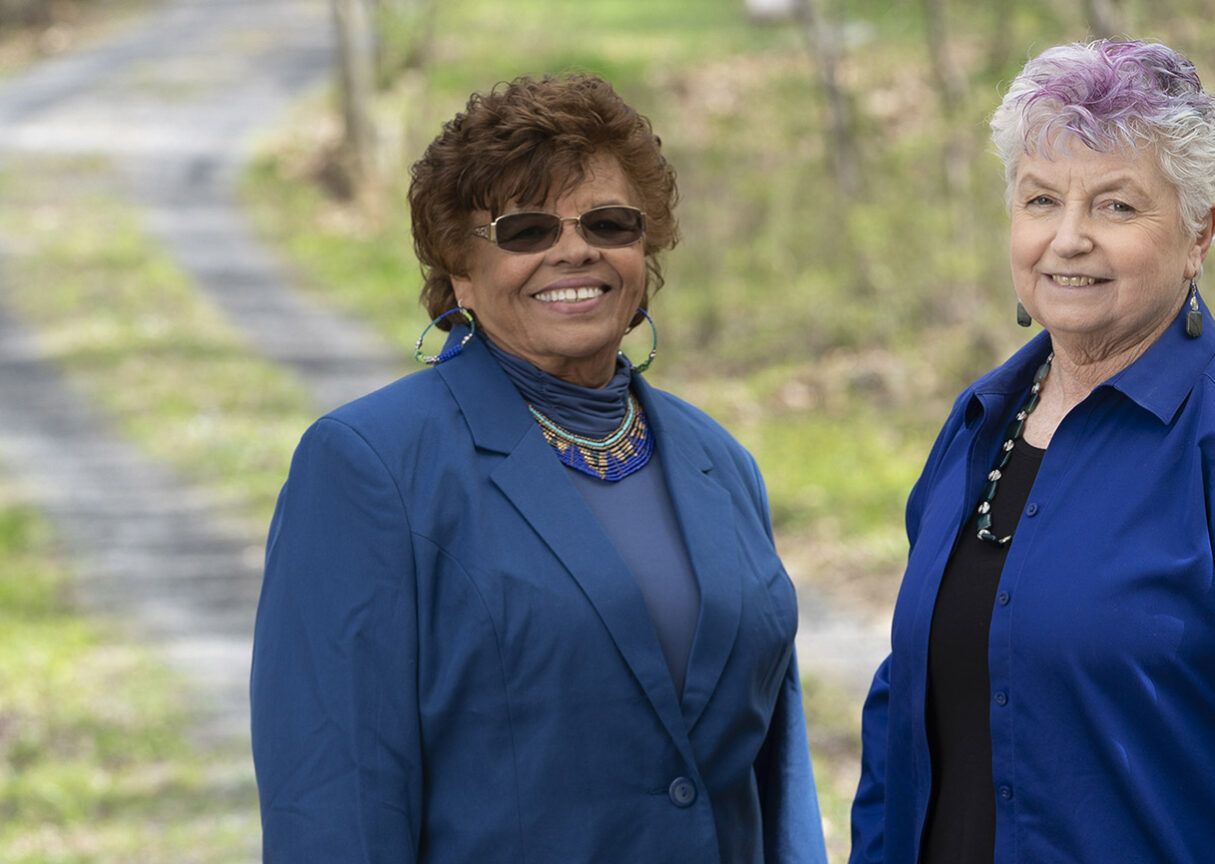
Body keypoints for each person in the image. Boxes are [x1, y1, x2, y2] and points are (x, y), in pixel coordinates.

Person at [251, 73, 826, 864]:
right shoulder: (370, 467)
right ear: (460, 272)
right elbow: (333, 804)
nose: (575, 248)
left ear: (644, 250)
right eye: (524, 230)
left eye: (609, 222)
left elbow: (777, 779)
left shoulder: (721, 464)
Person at [850, 40, 1215, 864]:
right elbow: (902, 718)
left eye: (1115, 206)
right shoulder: (978, 425)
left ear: (1197, 234)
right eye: (1040, 201)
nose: (1068, 239)